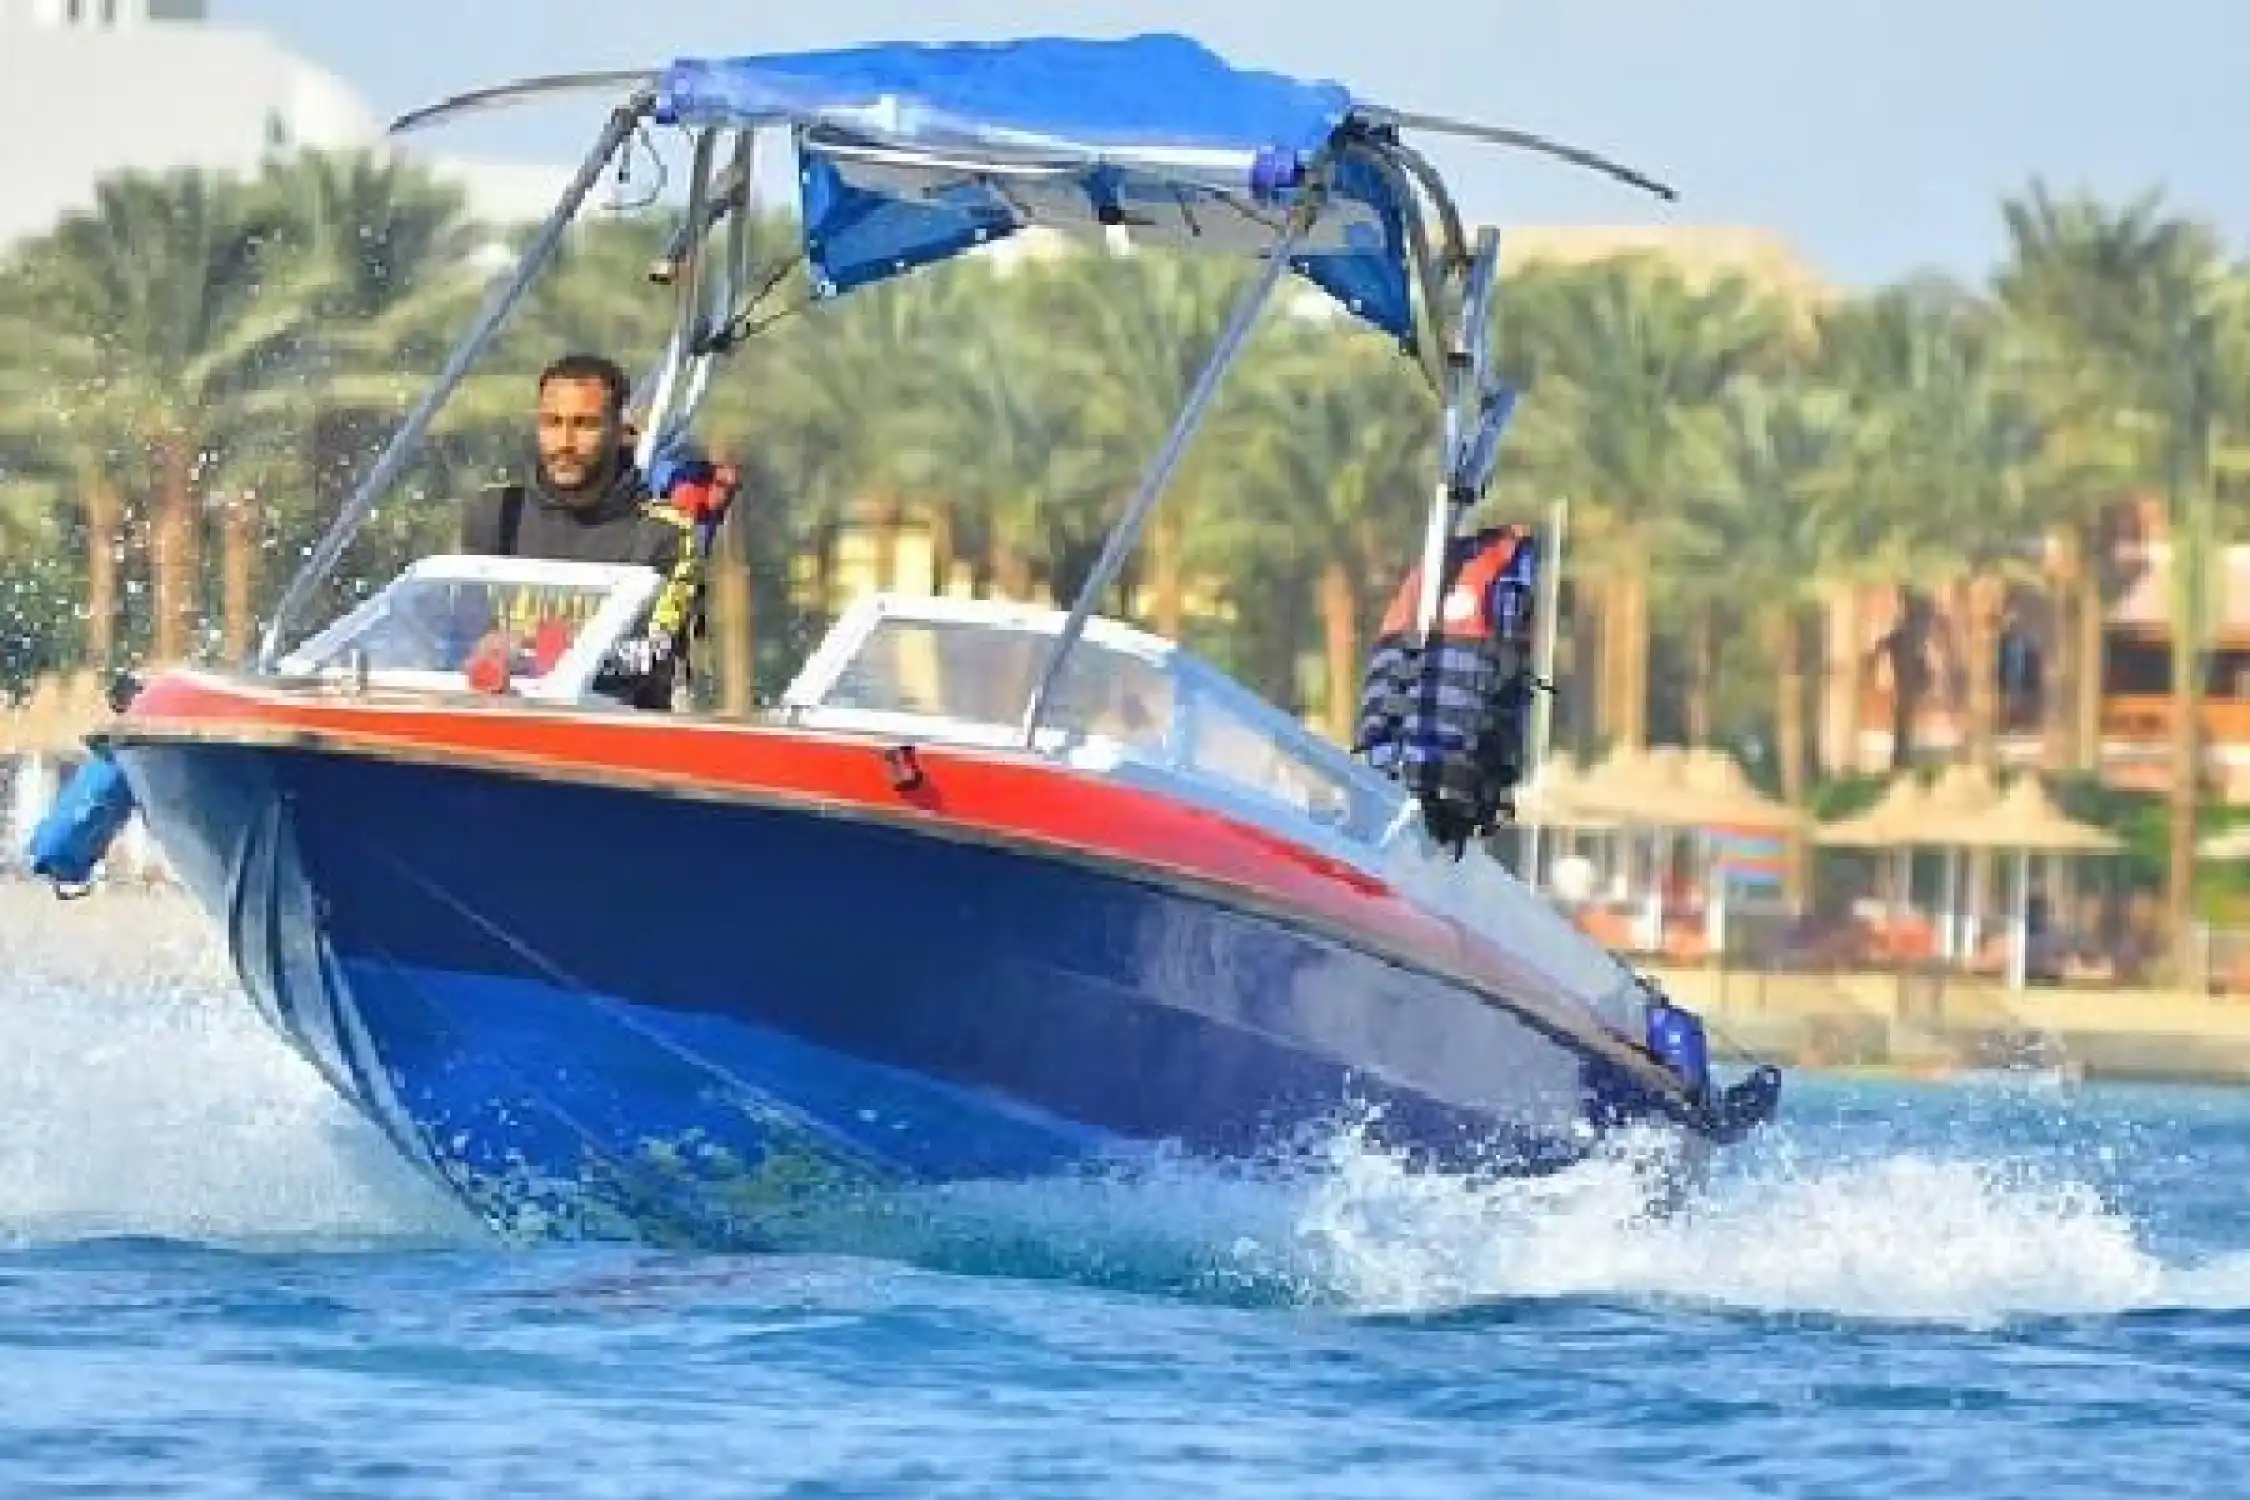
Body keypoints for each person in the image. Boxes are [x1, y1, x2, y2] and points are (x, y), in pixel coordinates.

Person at [458, 352, 736, 709]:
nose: (565, 443)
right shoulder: (494, 514)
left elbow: (649, 657)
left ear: (623, 433)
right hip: (500, 719)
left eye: (585, 424)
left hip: (613, 729)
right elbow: (455, 635)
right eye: (552, 423)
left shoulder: (665, 535)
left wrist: (534, 648)